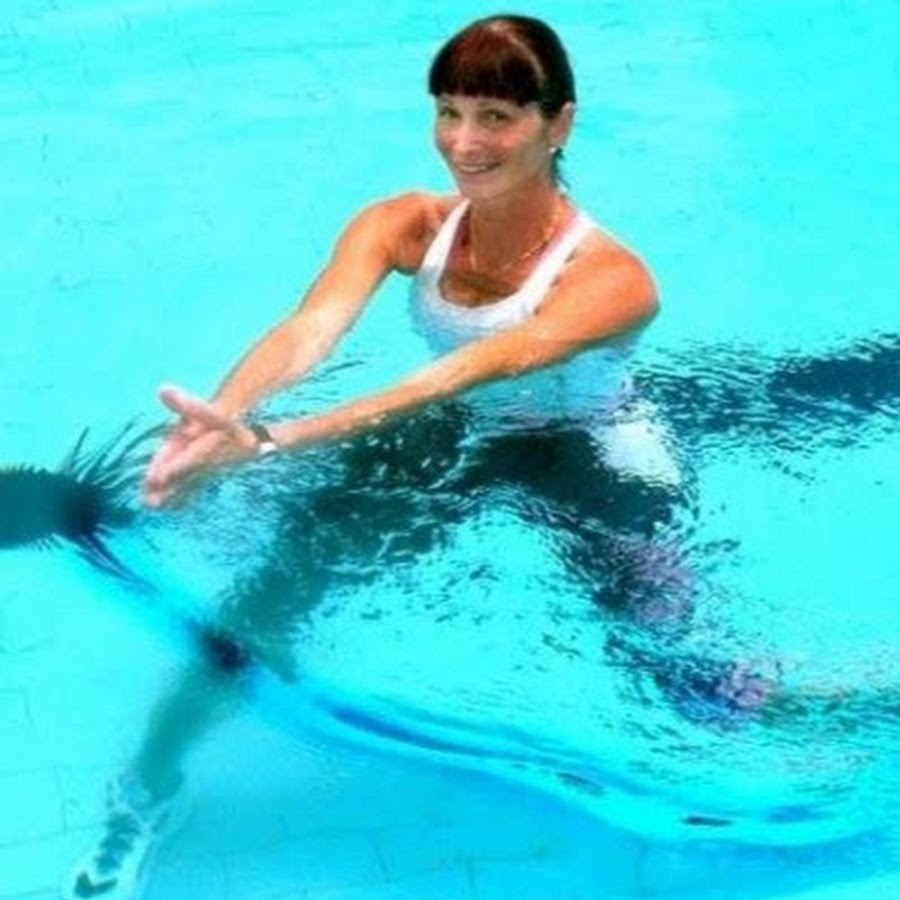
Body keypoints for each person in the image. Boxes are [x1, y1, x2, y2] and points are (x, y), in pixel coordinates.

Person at [65, 15, 683, 900]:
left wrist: (271, 443)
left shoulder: (613, 279)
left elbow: (464, 369)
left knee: (675, 665)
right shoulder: (405, 223)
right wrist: (222, 420)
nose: (464, 142)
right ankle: (145, 790)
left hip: (587, 452)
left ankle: (833, 705)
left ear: (560, 124)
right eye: (449, 111)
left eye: (497, 117)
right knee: (268, 596)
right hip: (462, 432)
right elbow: (311, 328)